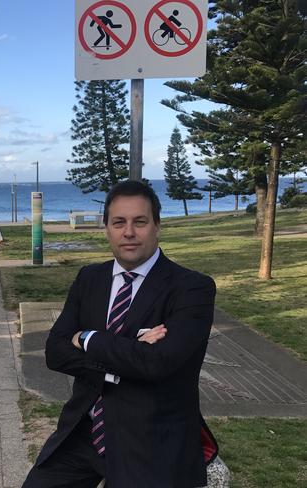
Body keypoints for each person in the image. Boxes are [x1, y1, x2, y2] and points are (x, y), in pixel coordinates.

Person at [23, 180, 218, 488]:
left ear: (157, 226)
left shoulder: (192, 288)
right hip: (84, 432)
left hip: (152, 442)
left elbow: (158, 363)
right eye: (119, 222)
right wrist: (127, 355)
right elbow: (55, 351)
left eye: (139, 222)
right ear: (107, 229)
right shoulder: (90, 278)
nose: (129, 232)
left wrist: (88, 339)